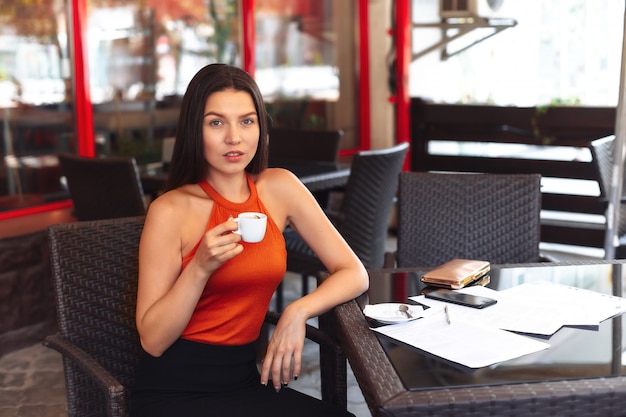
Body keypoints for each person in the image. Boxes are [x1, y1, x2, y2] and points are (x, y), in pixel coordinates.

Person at [131, 63, 368, 417]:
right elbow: (152, 340)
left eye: (246, 120)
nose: (234, 138)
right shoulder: (170, 210)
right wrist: (199, 268)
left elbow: (354, 272)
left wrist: (297, 311)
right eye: (216, 122)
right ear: (195, 131)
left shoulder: (279, 187)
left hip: (243, 381)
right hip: (173, 391)